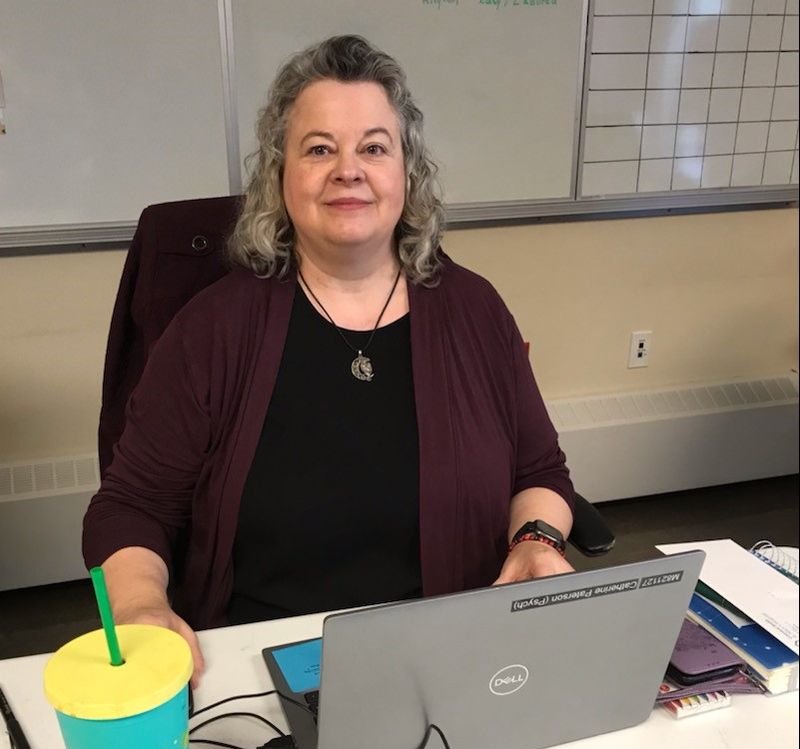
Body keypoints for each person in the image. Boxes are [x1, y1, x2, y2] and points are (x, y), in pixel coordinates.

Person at [83, 34, 574, 687]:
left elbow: (538, 469)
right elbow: (129, 505)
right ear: (281, 176)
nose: (349, 169)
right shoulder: (213, 329)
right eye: (319, 149)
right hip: (263, 672)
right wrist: (141, 603)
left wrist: (536, 539)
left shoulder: (475, 310)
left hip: (452, 659)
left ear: (408, 172)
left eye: (374, 147)